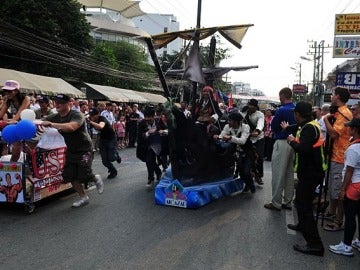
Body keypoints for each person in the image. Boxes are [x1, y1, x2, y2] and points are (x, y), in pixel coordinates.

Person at [41, 94, 104, 208]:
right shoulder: (55, 116)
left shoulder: (76, 114)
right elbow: (40, 121)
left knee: (84, 174)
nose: (57, 104)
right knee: (70, 175)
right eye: (56, 102)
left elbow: (71, 127)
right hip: (71, 149)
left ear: (68, 104)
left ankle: (95, 178)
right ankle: (83, 197)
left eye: (60, 102)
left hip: (85, 149)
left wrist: (52, 124)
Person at [284, 102, 327, 257]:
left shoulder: (309, 128)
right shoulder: (309, 125)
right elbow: (297, 128)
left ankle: (315, 245)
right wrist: (288, 129)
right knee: (302, 204)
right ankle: (302, 226)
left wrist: (291, 141)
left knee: (304, 207)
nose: (294, 115)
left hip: (311, 174)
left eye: (295, 113)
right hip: (310, 172)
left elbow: (304, 149)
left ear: (299, 114)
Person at [329, 118, 360, 256]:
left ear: (355, 130)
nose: (348, 129)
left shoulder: (354, 148)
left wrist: (342, 189)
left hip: (354, 185)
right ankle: (358, 241)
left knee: (350, 216)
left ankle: (346, 246)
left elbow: (349, 170)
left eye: (350, 127)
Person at [323, 86, 352, 231]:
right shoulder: (339, 112)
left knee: (339, 191)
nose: (331, 96)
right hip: (335, 155)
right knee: (333, 189)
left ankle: (338, 221)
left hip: (341, 157)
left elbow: (334, 134)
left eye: (333, 94)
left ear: (338, 97)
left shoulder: (344, 113)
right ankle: (331, 211)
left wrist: (325, 119)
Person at [264, 87, 296, 211]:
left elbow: (274, 126)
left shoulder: (282, 110)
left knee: (278, 173)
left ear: (282, 96)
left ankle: (276, 202)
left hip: (282, 141)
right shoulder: (295, 108)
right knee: (289, 174)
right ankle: (288, 201)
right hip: (292, 142)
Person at [217, 112, 255, 193]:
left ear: (236, 121)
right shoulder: (227, 127)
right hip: (237, 152)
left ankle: (251, 183)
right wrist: (219, 137)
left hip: (248, 152)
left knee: (246, 171)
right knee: (240, 172)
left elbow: (242, 141)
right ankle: (247, 183)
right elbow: (221, 136)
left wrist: (230, 137)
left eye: (230, 120)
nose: (228, 122)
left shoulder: (245, 127)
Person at [0, 80, 31, 162]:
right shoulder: (8, 100)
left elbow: (20, 112)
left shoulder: (26, 98)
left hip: (28, 125)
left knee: (30, 150)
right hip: (17, 124)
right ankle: (12, 168)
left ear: (16, 91)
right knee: (16, 149)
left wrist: (12, 121)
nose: (7, 93)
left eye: (9, 91)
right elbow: (1, 113)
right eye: (5, 91)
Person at [88, 107, 120, 179]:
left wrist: (90, 122)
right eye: (91, 115)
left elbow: (100, 126)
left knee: (112, 158)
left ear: (98, 114)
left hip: (111, 138)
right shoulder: (90, 120)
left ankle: (117, 155)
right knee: (104, 160)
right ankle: (113, 171)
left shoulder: (102, 119)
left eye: (93, 115)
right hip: (102, 139)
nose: (92, 117)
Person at [136, 106, 163, 188]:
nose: (147, 118)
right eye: (146, 116)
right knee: (149, 160)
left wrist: (158, 132)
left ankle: (150, 178)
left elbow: (166, 130)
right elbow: (140, 136)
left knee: (149, 161)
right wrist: (148, 133)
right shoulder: (141, 123)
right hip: (146, 145)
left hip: (156, 144)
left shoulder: (159, 121)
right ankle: (158, 172)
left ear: (153, 116)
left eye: (149, 117)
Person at [241, 98, 265, 185]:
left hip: (259, 138)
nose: (249, 106)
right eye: (248, 104)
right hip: (248, 138)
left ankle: (259, 175)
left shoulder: (260, 114)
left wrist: (257, 131)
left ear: (255, 107)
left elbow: (260, 124)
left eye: (251, 105)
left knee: (259, 157)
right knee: (247, 157)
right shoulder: (244, 113)